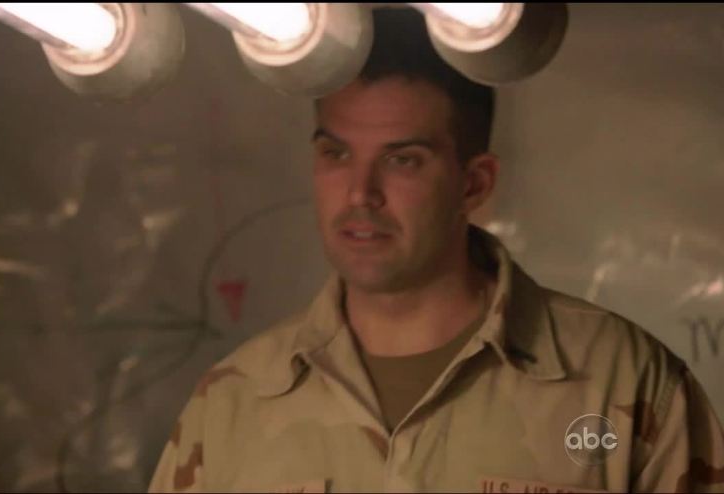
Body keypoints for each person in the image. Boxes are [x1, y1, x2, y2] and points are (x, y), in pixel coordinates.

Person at [149, 7, 724, 493]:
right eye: (336, 154)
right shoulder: (233, 401)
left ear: (473, 183)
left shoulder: (621, 380)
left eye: (402, 160)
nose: (360, 193)